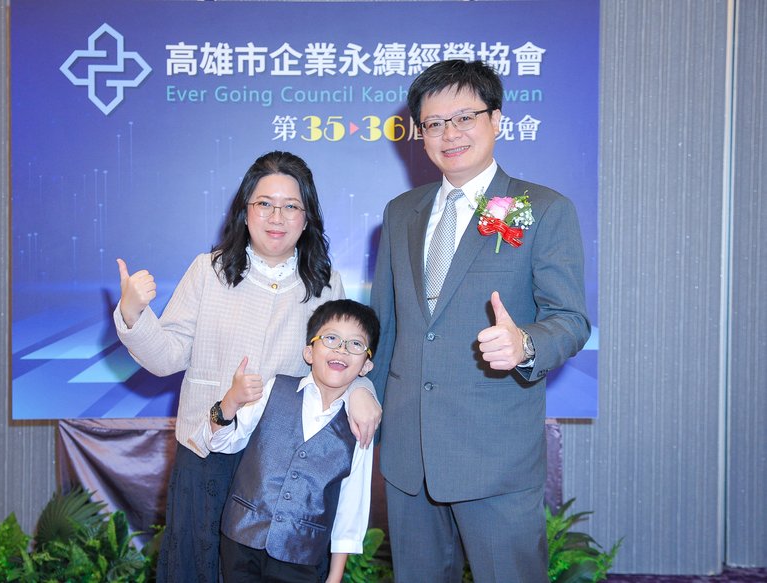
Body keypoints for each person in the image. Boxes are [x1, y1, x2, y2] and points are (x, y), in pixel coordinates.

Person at [368, 60, 590, 582]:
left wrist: (526, 344)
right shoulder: (400, 213)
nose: (450, 134)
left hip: (495, 454)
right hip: (409, 454)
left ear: (496, 120)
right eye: (434, 123)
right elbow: (386, 324)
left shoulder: (539, 208)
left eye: (464, 117)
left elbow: (569, 319)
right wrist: (367, 400)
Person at [114, 151, 382, 583]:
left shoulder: (323, 281)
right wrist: (133, 313)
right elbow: (165, 358)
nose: (277, 216)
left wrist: (362, 390)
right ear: (244, 210)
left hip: (280, 468)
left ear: (307, 218)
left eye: (291, 206)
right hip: (209, 452)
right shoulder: (208, 271)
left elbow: (342, 355)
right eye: (264, 203)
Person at [201, 299, 379, 583]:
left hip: (302, 554)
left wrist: (335, 576)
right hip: (241, 539)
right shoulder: (276, 388)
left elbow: (351, 505)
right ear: (309, 352)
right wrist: (231, 401)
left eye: (355, 344)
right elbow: (221, 443)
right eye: (331, 338)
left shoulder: (361, 423)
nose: (341, 349)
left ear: (366, 366)